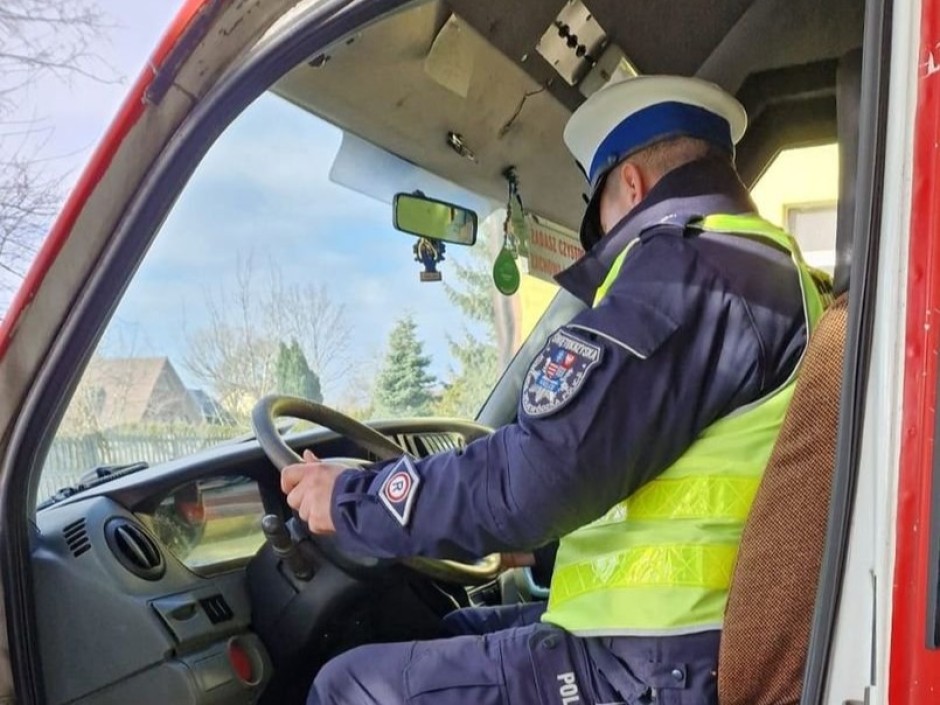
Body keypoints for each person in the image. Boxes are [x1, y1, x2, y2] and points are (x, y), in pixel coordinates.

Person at [282, 75, 826, 704]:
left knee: (348, 688)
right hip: (682, 644)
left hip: (655, 666)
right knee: (451, 629)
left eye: (597, 208)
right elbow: (660, 475)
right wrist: (536, 548)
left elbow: (540, 470)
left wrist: (349, 500)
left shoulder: (689, 271)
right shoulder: (766, 269)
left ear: (631, 184)